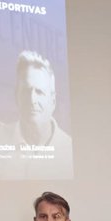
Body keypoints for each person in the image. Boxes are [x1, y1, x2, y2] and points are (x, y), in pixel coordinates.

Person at [9, 51, 73, 179]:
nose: (32, 100)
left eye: (39, 92)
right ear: (17, 96)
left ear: (53, 101)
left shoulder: (68, 149)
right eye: (27, 91)